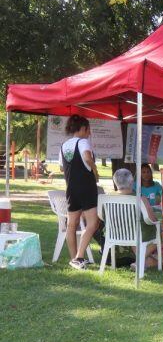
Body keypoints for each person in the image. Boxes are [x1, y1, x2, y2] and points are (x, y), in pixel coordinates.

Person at [59, 115, 101, 270]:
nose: (89, 133)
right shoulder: (83, 142)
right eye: (88, 129)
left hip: (71, 188)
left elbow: (62, 168)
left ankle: (74, 258)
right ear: (82, 128)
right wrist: (95, 171)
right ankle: (79, 257)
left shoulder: (64, 145)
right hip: (86, 187)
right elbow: (87, 157)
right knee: (93, 223)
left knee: (72, 224)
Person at [113, 168, 161, 271]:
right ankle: (139, 260)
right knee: (160, 234)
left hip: (115, 234)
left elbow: (102, 216)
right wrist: (158, 221)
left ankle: (145, 261)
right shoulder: (141, 198)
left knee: (138, 235)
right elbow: (151, 219)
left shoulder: (107, 197)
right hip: (137, 234)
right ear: (131, 181)